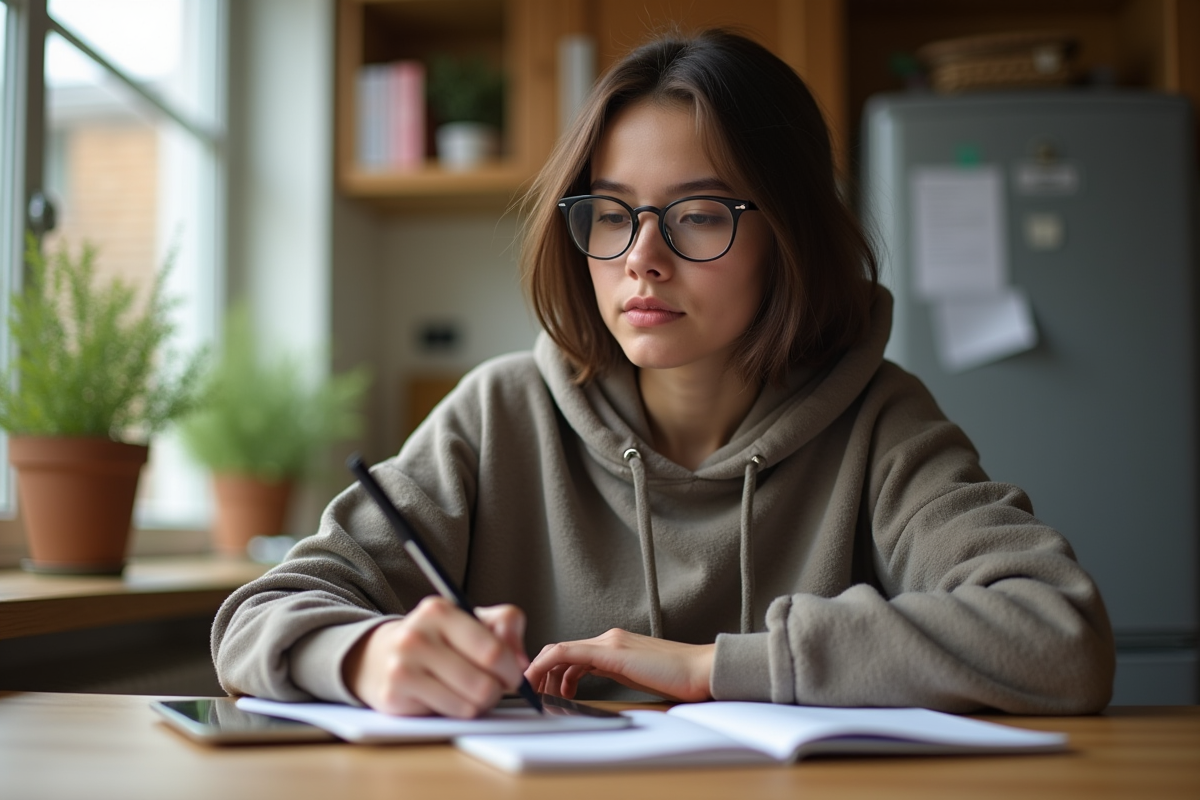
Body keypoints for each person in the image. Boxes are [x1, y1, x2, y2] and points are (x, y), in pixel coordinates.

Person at [212, 29, 1115, 718]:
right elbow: (261, 614)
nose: (642, 258)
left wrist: (712, 667)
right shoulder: (500, 414)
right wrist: (368, 657)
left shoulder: (879, 420)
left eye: (697, 213)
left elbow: (1059, 636)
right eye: (612, 214)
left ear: (788, 236)